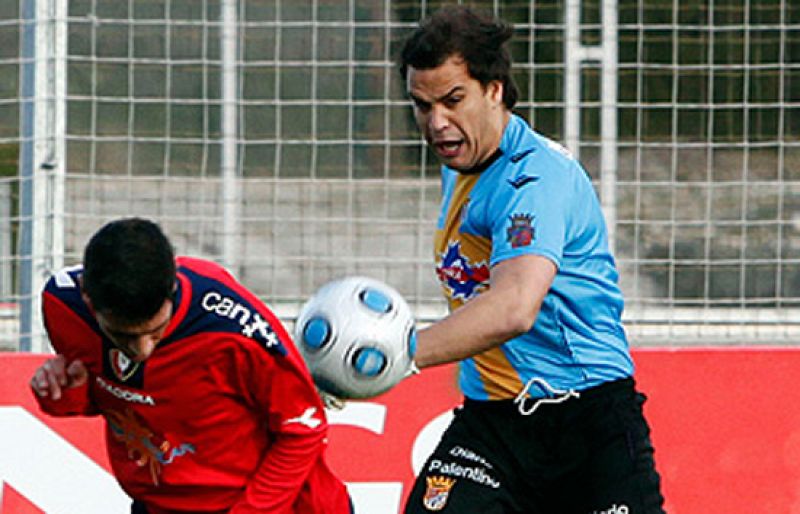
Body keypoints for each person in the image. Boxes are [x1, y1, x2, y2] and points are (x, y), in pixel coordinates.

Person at [397, 6, 665, 514]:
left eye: (453, 100)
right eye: (422, 105)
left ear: (494, 90)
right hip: (493, 428)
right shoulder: (463, 162)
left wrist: (398, 356)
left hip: (585, 420)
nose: (436, 123)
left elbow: (514, 307)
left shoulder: (533, 179)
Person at [29, 217, 352, 514]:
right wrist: (66, 392)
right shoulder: (64, 310)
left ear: (173, 287)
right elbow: (123, 399)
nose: (142, 350)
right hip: (159, 505)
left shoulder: (236, 331)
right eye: (123, 336)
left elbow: (302, 432)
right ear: (87, 298)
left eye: (155, 331)